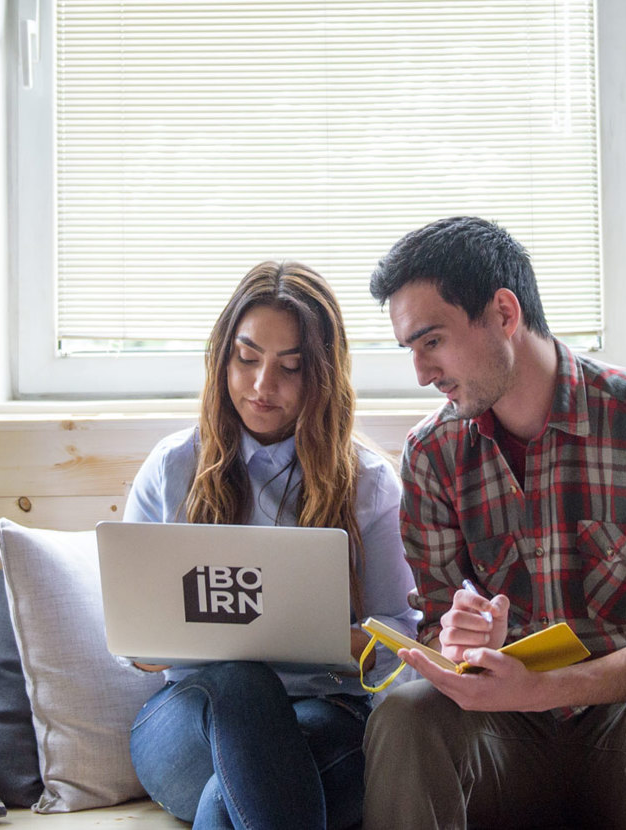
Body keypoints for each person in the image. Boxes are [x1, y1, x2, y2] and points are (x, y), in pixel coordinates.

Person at [360, 217, 626, 828]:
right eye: (410, 348)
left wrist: (542, 688)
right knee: (407, 714)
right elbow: (438, 624)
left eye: (431, 341)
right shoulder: (431, 454)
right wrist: (462, 645)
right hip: (503, 745)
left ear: (504, 313)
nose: (421, 372)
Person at [122, 261, 421, 830]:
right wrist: (228, 636)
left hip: (324, 710)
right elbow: (133, 646)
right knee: (242, 680)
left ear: (323, 376)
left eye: (290, 367)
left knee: (231, 797)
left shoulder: (368, 483)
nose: (262, 386)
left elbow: (400, 637)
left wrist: (317, 635)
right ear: (222, 357)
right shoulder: (173, 467)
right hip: (188, 720)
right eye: (247, 358)